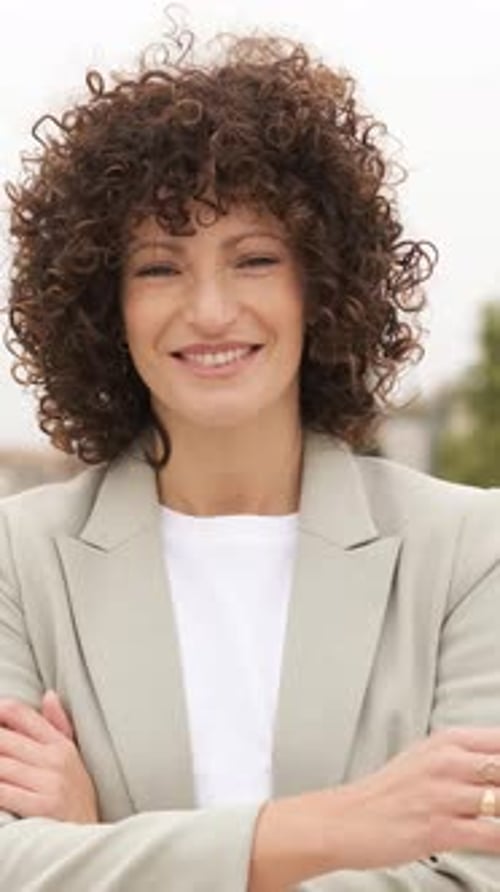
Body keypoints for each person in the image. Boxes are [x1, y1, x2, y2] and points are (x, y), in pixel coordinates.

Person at [1, 19, 500, 891]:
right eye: (159, 268)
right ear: (104, 305)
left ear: (323, 282)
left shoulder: (470, 551)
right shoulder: (17, 560)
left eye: (256, 259)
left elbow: (472, 874)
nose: (210, 310)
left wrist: (100, 846)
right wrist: (332, 828)